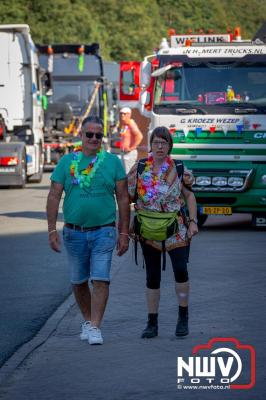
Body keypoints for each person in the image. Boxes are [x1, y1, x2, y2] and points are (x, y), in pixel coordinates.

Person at [46, 116, 130, 345]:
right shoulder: (66, 162)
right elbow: (54, 196)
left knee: (101, 279)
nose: (94, 139)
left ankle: (95, 326)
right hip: (74, 233)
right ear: (81, 135)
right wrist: (52, 230)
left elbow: (123, 198)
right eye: (89, 134)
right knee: (78, 280)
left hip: (104, 231)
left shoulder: (112, 162)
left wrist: (124, 233)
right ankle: (87, 319)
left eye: (98, 135)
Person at [128, 126, 198, 339]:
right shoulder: (139, 167)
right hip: (147, 229)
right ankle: (152, 323)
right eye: (156, 142)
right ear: (150, 145)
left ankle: (183, 318)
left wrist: (193, 222)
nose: (159, 146)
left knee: (180, 271)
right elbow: (127, 197)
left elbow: (190, 196)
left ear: (169, 146)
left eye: (164, 142)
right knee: (152, 276)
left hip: (175, 229)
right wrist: (128, 225)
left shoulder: (178, 168)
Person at [113, 107, 143, 174]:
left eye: (124, 114)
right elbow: (120, 134)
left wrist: (132, 147)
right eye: (121, 114)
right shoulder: (124, 124)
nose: (122, 115)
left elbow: (139, 136)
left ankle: (129, 184)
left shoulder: (131, 124)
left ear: (129, 115)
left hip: (129, 153)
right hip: (123, 152)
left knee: (128, 172)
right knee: (123, 171)